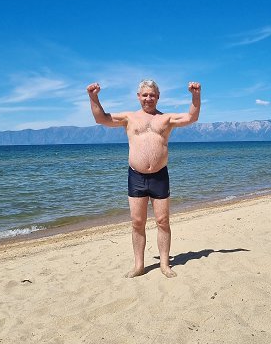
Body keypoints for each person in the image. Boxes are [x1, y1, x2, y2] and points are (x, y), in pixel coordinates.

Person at [86, 79, 201, 278]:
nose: (149, 98)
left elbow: (192, 117)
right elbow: (101, 118)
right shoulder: (129, 118)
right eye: (145, 95)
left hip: (159, 176)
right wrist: (93, 97)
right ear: (138, 97)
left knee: (163, 221)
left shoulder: (166, 119)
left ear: (158, 97)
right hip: (136, 176)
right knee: (137, 222)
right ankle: (139, 265)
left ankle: (164, 264)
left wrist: (195, 95)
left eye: (152, 95)